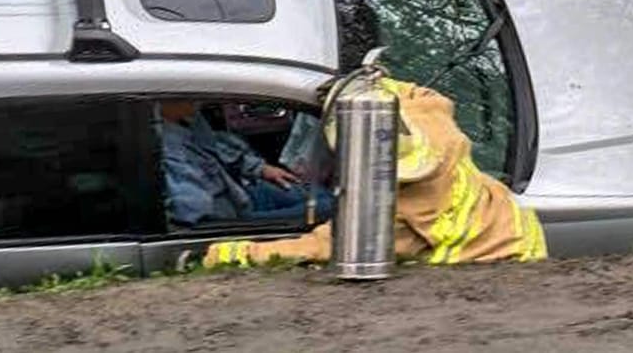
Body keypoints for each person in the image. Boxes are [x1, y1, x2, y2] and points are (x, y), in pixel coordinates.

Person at [202, 77, 548, 267]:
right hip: (522, 239)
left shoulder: (400, 212)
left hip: (495, 270)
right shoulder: (436, 128)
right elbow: (419, 94)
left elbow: (320, 247)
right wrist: (369, 87)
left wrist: (229, 254)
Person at [158, 100, 333, 228]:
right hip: (230, 218)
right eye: (186, 97)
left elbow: (216, 148)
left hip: (240, 192)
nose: (199, 102)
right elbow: (197, 213)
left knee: (321, 194)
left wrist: (261, 169)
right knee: (332, 208)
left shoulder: (190, 120)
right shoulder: (167, 149)